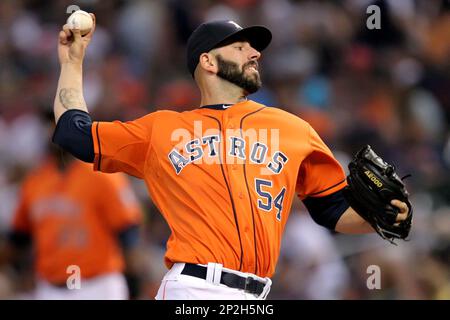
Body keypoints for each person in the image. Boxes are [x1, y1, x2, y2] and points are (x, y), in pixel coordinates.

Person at [52, 15, 410, 300]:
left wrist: (382, 216)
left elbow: (331, 210)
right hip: (194, 289)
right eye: (240, 47)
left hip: (257, 293)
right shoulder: (160, 130)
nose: (254, 53)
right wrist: (73, 61)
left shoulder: (293, 129)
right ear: (208, 61)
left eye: (253, 49)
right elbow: (74, 132)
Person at [2, 111, 144, 300]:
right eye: (49, 125)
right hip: (50, 289)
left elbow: (128, 232)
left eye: (58, 124)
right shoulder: (35, 181)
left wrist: (134, 283)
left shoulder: (103, 176)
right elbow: (18, 238)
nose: (52, 131)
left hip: (98, 286)